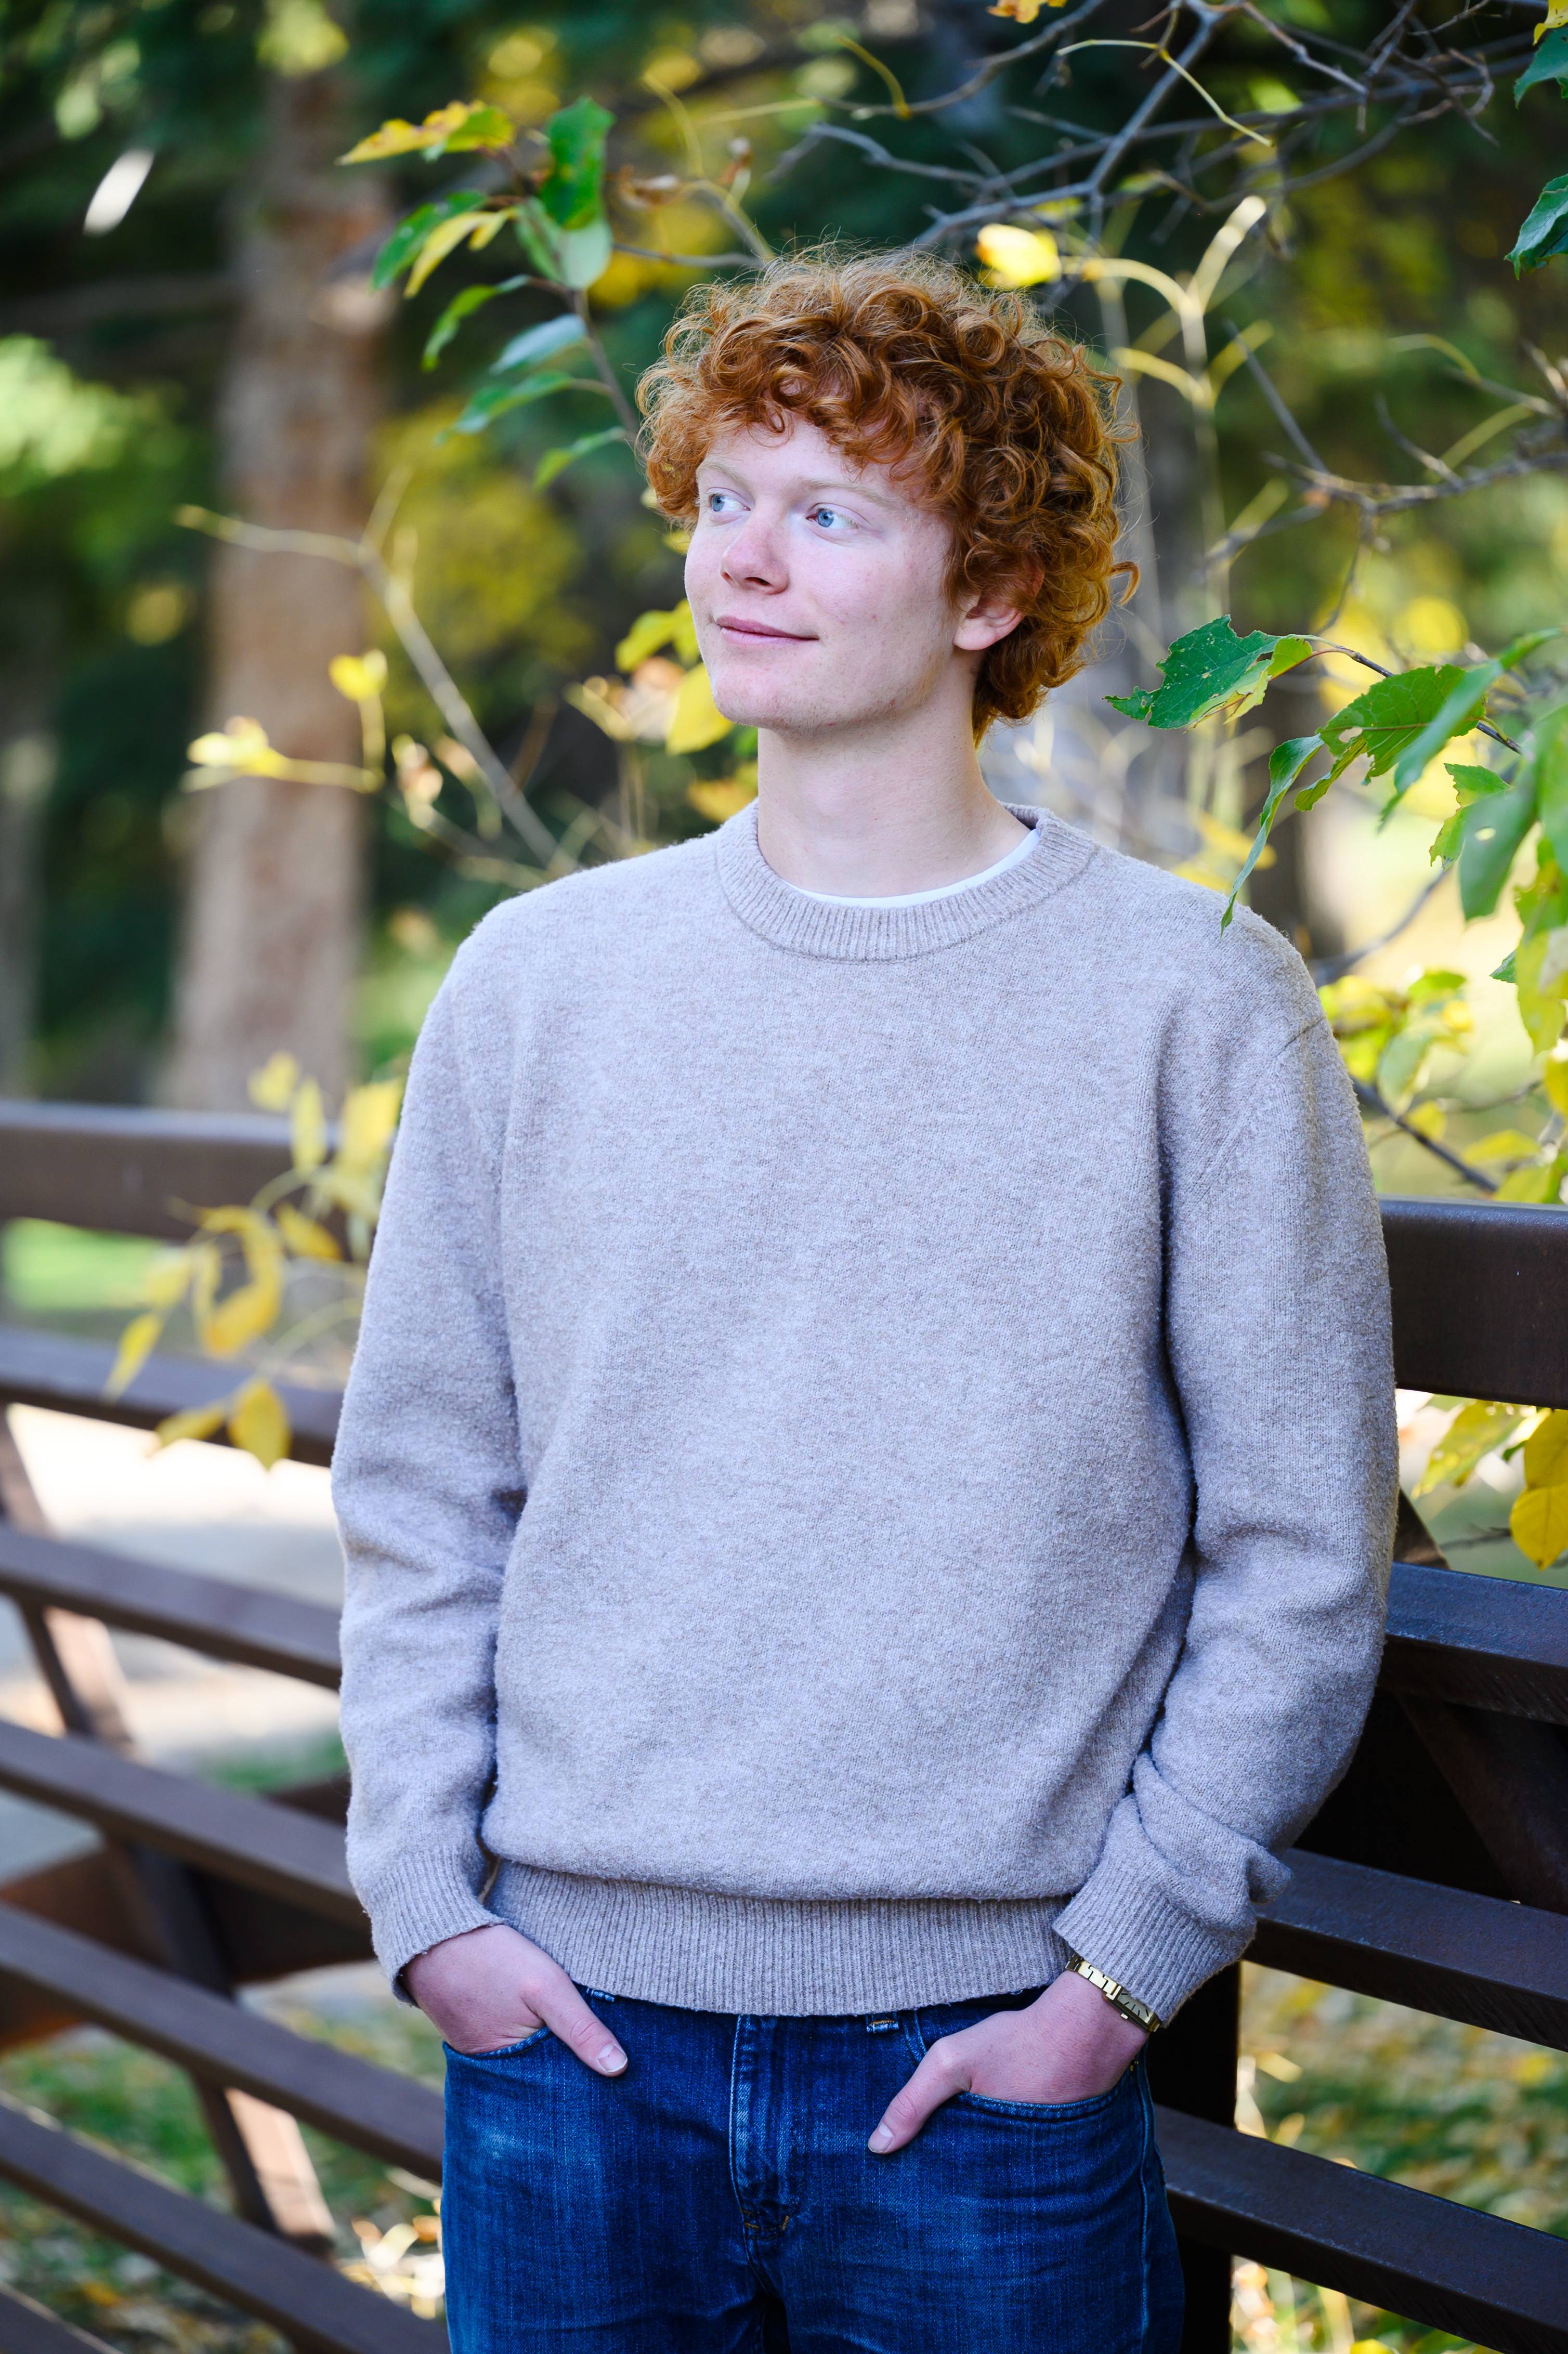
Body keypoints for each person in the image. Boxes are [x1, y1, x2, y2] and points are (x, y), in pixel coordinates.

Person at [333, 250, 1397, 2353]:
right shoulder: (537, 983)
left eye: (832, 511)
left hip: (986, 2066)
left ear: (988, 590)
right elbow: (424, 1486)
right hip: (566, 2038)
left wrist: (1115, 1980)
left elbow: (1298, 1541)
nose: (747, 554)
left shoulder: (1189, 1000)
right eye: (726, 494)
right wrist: (426, 1909)